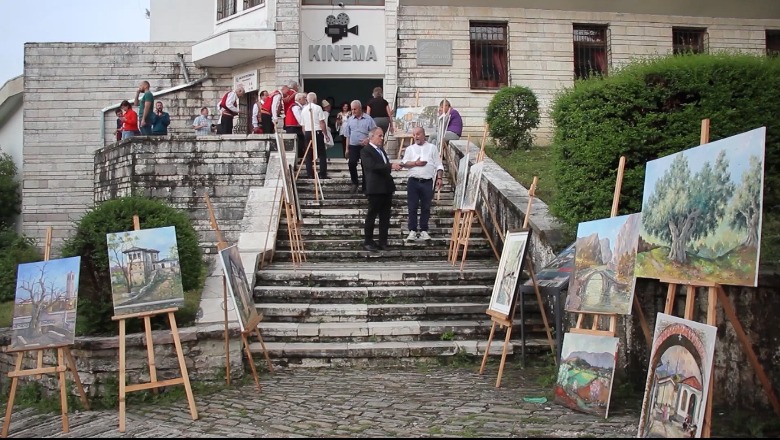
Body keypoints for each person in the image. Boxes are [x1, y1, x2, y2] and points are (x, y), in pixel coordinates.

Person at [360, 127, 401, 252]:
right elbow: (371, 166)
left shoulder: (381, 150)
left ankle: (383, 242)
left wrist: (389, 167)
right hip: (375, 187)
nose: (382, 138)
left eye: (382, 136)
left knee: (385, 216)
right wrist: (389, 165)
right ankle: (368, 241)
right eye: (380, 136)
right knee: (372, 215)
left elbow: (384, 166)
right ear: (371, 137)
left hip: (386, 187)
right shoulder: (366, 151)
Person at [400, 127, 444, 242]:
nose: (416, 137)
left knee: (426, 207)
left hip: (427, 181)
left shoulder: (432, 148)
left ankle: (424, 230)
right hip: (413, 181)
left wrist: (439, 177)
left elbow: (438, 164)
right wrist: (416, 163)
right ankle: (412, 231)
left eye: (418, 134)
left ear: (424, 135)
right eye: (414, 134)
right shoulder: (410, 149)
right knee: (412, 206)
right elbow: (404, 163)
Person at [343, 100, 377, 193]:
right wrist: (347, 149)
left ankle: (365, 187)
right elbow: (347, 135)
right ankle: (355, 182)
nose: (353, 111)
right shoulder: (350, 120)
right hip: (353, 146)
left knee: (365, 165)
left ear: (360, 108)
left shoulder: (368, 119)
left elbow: (375, 132)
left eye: (355, 109)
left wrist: (368, 139)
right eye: (352, 109)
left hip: (365, 146)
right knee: (351, 163)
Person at [301, 92, 332, 180]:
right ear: (315, 99)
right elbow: (322, 123)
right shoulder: (318, 108)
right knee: (322, 153)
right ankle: (322, 174)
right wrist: (325, 134)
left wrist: (306, 135)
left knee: (309, 154)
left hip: (307, 131)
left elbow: (302, 126)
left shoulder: (303, 109)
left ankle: (309, 174)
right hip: (317, 131)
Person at [285, 92, 306, 159]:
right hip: (294, 127)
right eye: (303, 98)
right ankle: (300, 157)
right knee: (300, 143)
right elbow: (299, 118)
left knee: (301, 142)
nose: (305, 100)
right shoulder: (296, 107)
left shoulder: (297, 106)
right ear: (299, 99)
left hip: (294, 127)